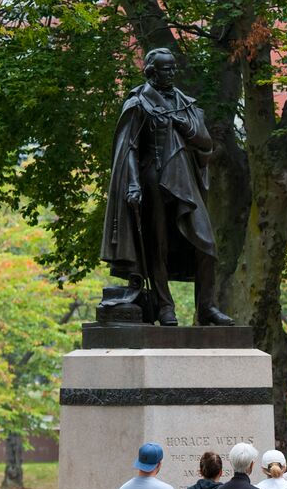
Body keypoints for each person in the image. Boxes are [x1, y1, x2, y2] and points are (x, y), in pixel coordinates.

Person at [99, 47, 234, 327]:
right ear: (151, 71)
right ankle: (164, 307)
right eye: (165, 68)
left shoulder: (186, 103)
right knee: (156, 246)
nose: (172, 72)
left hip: (186, 181)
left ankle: (207, 307)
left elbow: (206, 143)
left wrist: (187, 129)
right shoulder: (138, 103)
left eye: (173, 67)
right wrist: (133, 185)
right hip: (154, 180)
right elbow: (129, 150)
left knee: (206, 245)